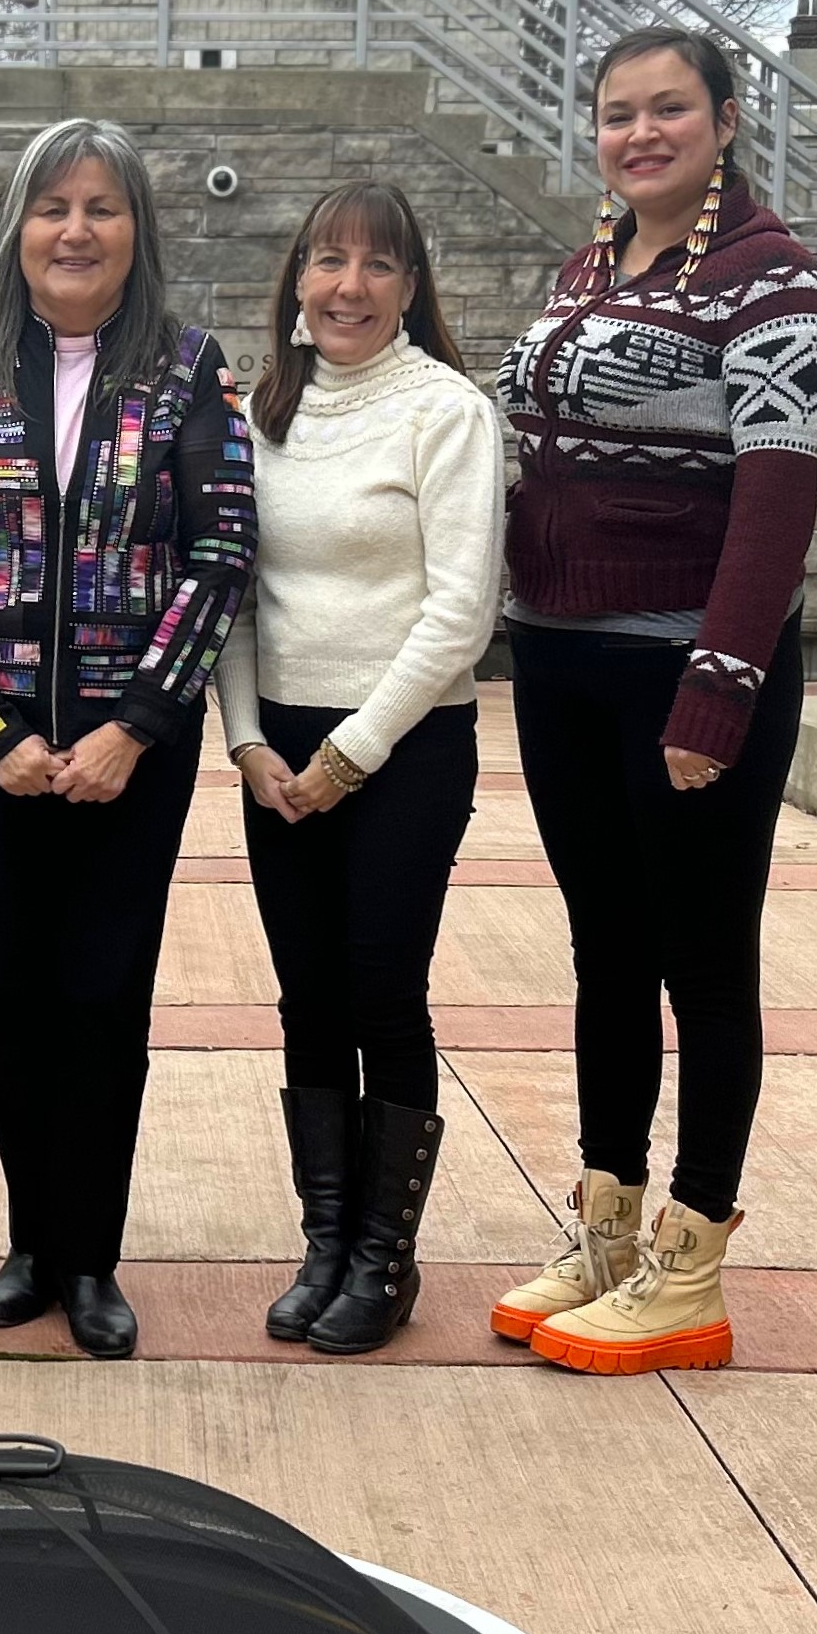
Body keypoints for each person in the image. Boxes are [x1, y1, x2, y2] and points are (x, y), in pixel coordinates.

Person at [489, 28, 817, 1374]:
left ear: (726, 118)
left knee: (704, 960)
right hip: (563, 656)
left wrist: (720, 688)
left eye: (669, 110)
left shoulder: (776, 281)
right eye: (617, 113)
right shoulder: (588, 267)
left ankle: (690, 1264)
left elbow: (774, 501)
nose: (641, 133)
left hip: (684, 666)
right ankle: (606, 1227)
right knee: (604, 952)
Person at [0, 119, 256, 1360]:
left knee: (102, 997)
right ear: (18, 228)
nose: (76, 230)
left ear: (135, 230)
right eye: (53, 207)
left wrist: (134, 728)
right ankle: (29, 1239)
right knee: (13, 999)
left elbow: (218, 559)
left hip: (127, 758)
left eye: (102, 207)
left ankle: (91, 1254)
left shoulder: (190, 370)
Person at [217, 185, 505, 1356]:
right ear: (295, 279)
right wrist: (242, 739)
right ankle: (325, 1240)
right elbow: (227, 590)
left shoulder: (448, 411)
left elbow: (459, 612)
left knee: (379, 992)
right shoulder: (257, 413)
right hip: (274, 747)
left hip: (402, 749)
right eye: (327, 261)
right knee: (304, 998)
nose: (348, 286)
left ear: (410, 285)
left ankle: (383, 1259)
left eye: (376, 266)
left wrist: (346, 754)